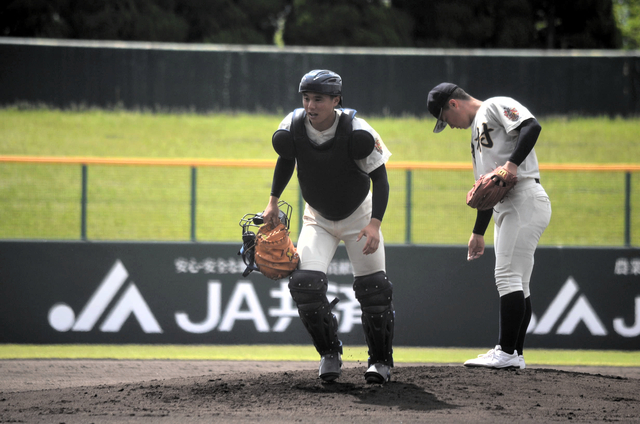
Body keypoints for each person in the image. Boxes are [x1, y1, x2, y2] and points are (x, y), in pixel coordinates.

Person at [262, 69, 395, 384]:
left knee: (374, 290)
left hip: (359, 217)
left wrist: (375, 223)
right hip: (317, 217)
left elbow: (381, 179)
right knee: (304, 285)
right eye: (306, 98)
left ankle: (380, 362)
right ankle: (330, 353)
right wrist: (272, 201)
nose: (311, 105)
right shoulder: (292, 128)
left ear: (336, 100)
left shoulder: (358, 132)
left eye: (318, 98)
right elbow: (286, 160)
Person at [426, 82, 552, 369]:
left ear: (453, 104)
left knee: (506, 275)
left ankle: (505, 352)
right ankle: (514, 354)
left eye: (446, 119)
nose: (450, 125)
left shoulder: (494, 105)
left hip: (524, 197)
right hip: (507, 204)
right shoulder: (474, 134)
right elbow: (488, 186)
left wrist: (512, 164)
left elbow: (531, 126)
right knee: (519, 281)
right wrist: (478, 232)